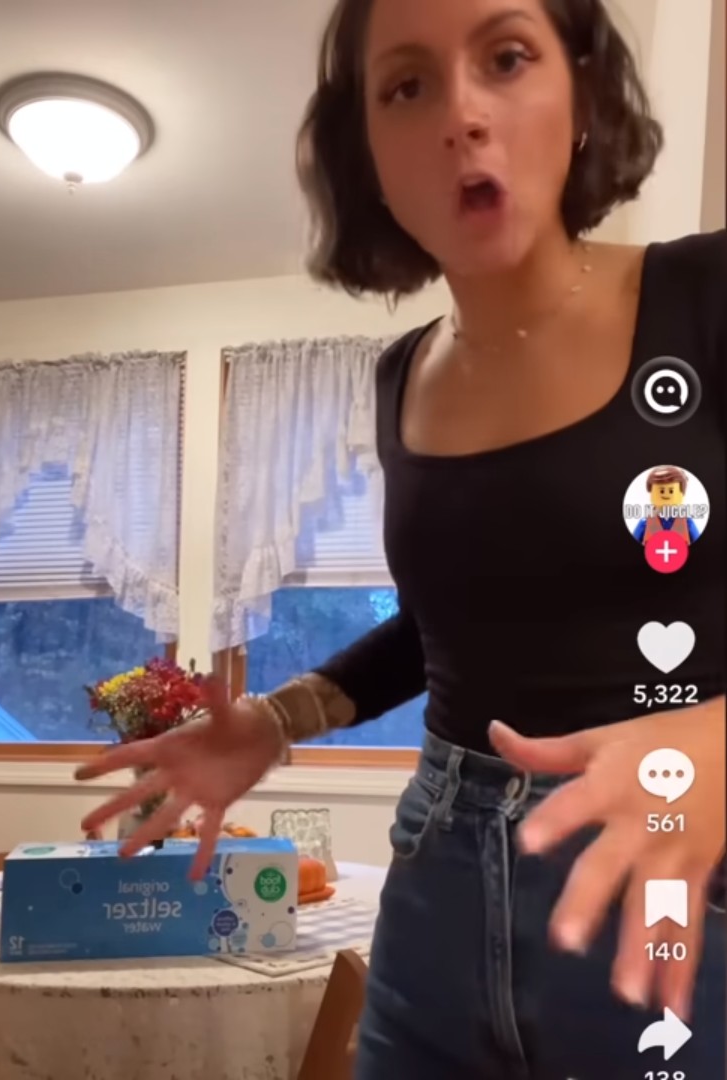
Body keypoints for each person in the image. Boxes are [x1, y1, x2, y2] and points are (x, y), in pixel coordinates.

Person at [76, 0, 726, 1075]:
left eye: (506, 57)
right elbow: (438, 628)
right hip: (439, 872)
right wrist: (273, 722)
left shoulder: (704, 294)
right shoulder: (400, 375)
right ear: (370, 158)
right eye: (406, 86)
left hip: (668, 876)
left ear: (580, 95)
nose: (460, 114)